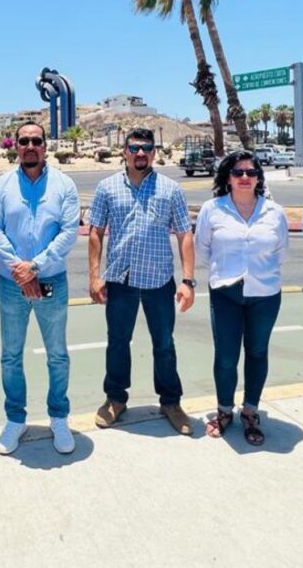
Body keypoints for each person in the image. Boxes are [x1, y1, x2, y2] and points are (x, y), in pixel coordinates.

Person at [87, 127, 196, 434]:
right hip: (120, 280)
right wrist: (95, 276)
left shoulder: (170, 189)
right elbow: (95, 232)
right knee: (118, 343)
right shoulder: (107, 188)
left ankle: (171, 402)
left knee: (164, 344)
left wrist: (187, 280)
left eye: (146, 148)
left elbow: (184, 234)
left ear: (153, 153)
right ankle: (115, 399)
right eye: (134, 148)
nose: (140, 153)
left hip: (159, 282)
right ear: (124, 152)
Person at [0, 121, 79, 455]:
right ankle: (15, 419)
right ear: (16, 146)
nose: (29, 146)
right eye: (23, 141)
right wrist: (22, 272)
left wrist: (35, 267)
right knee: (11, 355)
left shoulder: (64, 185)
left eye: (36, 140)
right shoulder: (3, 185)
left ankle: (59, 416)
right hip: (12, 284)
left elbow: (68, 232)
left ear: (45, 145)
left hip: (51, 280)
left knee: (57, 355)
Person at [195, 151, 289, 445]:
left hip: (264, 294)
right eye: (238, 173)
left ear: (259, 178)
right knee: (225, 356)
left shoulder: (275, 212)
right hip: (226, 292)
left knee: (258, 352)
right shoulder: (213, 209)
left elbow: (280, 251)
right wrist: (227, 271)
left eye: (251, 172)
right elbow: (202, 248)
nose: (245, 177)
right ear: (228, 178)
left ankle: (250, 410)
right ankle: (224, 410)